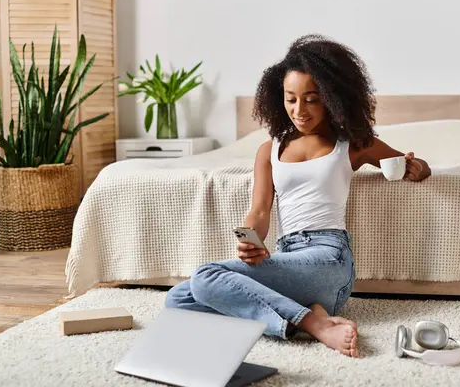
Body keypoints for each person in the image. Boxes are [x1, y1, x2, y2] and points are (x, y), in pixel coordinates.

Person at [165, 34, 431, 358]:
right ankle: (306, 316)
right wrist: (250, 239)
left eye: (311, 99)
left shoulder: (352, 143)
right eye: (291, 99)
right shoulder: (269, 150)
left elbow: (409, 164)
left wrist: (416, 168)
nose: (299, 110)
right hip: (285, 260)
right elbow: (260, 212)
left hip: (329, 259)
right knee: (177, 298)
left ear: (332, 98)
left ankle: (312, 323)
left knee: (205, 276)